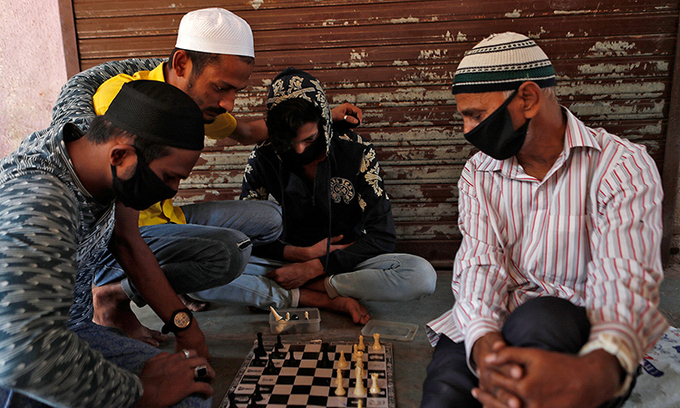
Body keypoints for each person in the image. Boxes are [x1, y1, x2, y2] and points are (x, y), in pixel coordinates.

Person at [49, 8, 362, 353]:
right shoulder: (131, 102)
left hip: (168, 219)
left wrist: (322, 116)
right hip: (126, 235)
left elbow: (246, 131)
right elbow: (123, 234)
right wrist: (181, 321)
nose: (228, 103)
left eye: (236, 90)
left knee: (270, 218)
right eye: (222, 87)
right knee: (230, 252)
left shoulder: (199, 102)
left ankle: (187, 278)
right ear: (182, 63)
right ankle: (114, 293)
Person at [421, 32, 669, 408]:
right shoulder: (478, 173)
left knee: (539, 318)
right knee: (446, 392)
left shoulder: (621, 167)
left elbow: (625, 281)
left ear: (528, 99)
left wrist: (598, 372)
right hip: (497, 318)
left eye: (476, 115)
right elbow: (479, 265)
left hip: (580, 332)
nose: (468, 130)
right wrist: (485, 345)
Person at [0, 80, 217, 408]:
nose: (172, 190)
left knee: (192, 386)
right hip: (19, 357)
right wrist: (142, 392)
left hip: (71, 332)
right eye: (169, 176)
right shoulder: (40, 202)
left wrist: (184, 325)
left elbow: (127, 241)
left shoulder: (95, 147)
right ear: (120, 156)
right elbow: (24, 354)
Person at [188, 67, 437, 324]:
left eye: (309, 139)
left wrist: (315, 267)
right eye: (289, 141)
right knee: (196, 269)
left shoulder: (357, 152)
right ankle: (319, 297)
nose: (298, 150)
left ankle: (303, 289)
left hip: (346, 261)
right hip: (284, 263)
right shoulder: (263, 156)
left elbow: (382, 235)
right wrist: (300, 255)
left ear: (324, 122)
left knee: (421, 276)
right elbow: (247, 234)